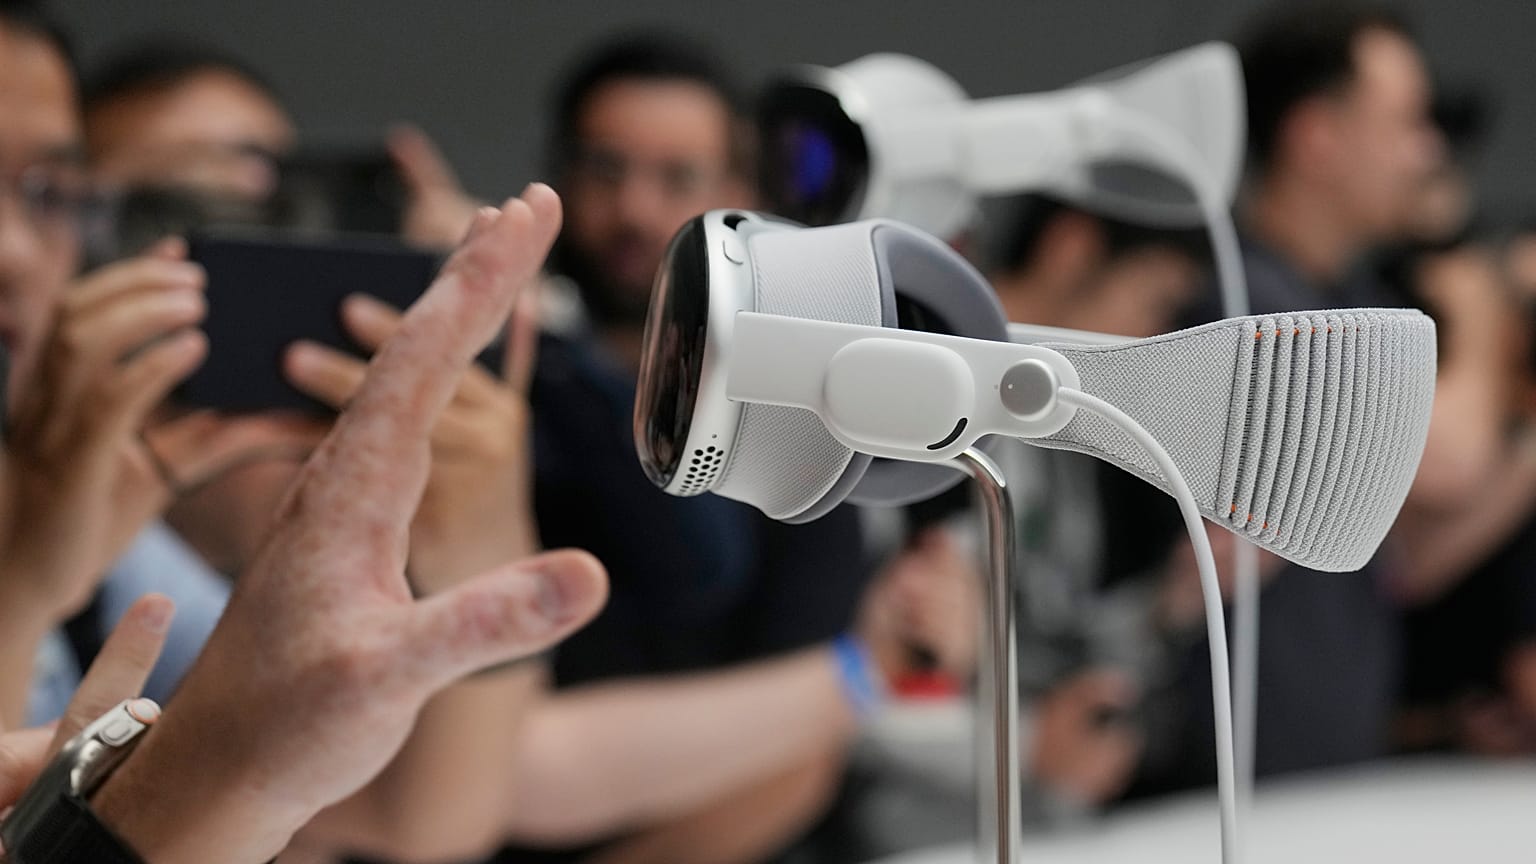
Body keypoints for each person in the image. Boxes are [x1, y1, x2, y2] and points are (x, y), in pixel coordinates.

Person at [0, 182, 612, 864]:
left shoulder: (147, 573)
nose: (322, 450)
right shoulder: (106, 558)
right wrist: (23, 590)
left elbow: (423, 822)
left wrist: (477, 545)